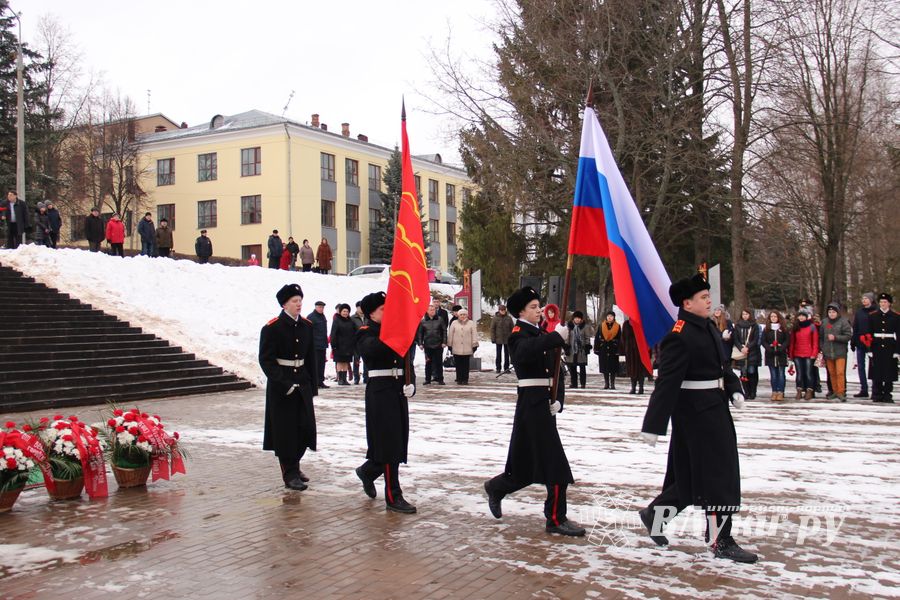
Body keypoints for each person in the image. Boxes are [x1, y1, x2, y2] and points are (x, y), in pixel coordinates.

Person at [638, 273, 757, 563]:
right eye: (704, 298)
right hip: (695, 415)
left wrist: (733, 388)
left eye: (708, 296)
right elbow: (666, 382)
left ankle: (656, 514)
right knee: (718, 476)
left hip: (715, 409)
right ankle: (721, 540)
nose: (709, 301)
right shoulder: (679, 336)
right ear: (687, 303)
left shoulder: (708, 328)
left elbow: (721, 366)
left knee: (695, 478)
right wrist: (654, 425)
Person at [483, 286, 586, 537]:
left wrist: (559, 399)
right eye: (532, 307)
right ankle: (555, 518)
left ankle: (497, 487)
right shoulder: (519, 334)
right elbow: (524, 353)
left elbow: (556, 370)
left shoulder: (541, 333)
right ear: (521, 311)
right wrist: (554, 337)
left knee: (526, 466)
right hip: (531, 404)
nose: (539, 310)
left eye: (539, 305)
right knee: (556, 465)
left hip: (545, 404)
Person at [354, 291, 418, 514]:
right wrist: (396, 334)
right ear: (371, 313)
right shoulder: (365, 332)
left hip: (398, 389)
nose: (388, 312)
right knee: (389, 442)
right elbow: (373, 351)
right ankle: (393, 495)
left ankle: (369, 471)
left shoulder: (394, 331)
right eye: (383, 309)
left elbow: (406, 358)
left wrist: (411, 381)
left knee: (397, 441)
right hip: (380, 392)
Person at [258, 284, 318, 491]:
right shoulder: (272, 327)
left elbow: (311, 357)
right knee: (285, 432)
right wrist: (284, 383)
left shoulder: (307, 326)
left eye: (300, 300)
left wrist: (313, 385)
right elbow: (266, 360)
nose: (299, 304)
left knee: (305, 428)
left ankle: (295, 464)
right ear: (284, 304)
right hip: (281, 386)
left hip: (302, 382)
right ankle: (289, 472)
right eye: (294, 301)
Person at [865, 293, 898, 403]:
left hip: (890, 346)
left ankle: (887, 394)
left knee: (889, 371)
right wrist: (869, 349)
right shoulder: (872, 315)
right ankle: (877, 394)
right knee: (877, 371)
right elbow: (868, 333)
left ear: (889, 303)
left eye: (885, 302)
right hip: (876, 345)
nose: (883, 304)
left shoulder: (896, 316)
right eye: (881, 302)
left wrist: (898, 350)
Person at [821, 303, 852, 402]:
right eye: (829, 312)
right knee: (832, 373)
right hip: (828, 352)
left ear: (837, 312)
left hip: (840, 352)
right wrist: (822, 347)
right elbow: (820, 337)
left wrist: (836, 338)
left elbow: (848, 336)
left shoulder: (843, 322)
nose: (831, 314)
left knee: (840, 373)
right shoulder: (824, 322)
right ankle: (834, 391)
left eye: (833, 312)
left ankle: (841, 391)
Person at [789, 308, 819, 400]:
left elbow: (815, 342)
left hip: (809, 354)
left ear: (806, 317)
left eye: (803, 316)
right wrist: (791, 354)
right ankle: (799, 390)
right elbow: (792, 342)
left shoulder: (812, 327)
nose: (801, 317)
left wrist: (814, 353)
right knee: (799, 373)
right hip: (797, 353)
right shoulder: (796, 327)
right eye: (800, 316)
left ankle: (809, 390)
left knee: (808, 373)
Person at [851, 293, 875, 398]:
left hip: (872, 342)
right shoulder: (859, 312)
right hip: (860, 341)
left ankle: (875, 389)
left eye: (866, 299)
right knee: (861, 366)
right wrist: (853, 340)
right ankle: (863, 388)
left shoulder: (875, 311)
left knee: (874, 367)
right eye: (863, 299)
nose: (864, 300)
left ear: (871, 300)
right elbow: (855, 326)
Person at [733, 309, 761, 400]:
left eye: (747, 314)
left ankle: (753, 391)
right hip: (741, 352)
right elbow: (735, 339)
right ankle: (746, 391)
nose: (745, 316)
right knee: (743, 372)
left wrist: (748, 347)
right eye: (743, 314)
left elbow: (756, 339)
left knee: (752, 371)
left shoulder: (754, 326)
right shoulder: (737, 326)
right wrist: (741, 348)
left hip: (752, 352)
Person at [761, 310, 790, 400]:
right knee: (773, 374)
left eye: (775, 317)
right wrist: (769, 348)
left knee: (781, 374)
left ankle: (780, 391)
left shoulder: (783, 328)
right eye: (772, 317)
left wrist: (781, 348)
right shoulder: (766, 329)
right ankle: (774, 391)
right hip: (770, 354)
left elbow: (787, 340)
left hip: (781, 354)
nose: (773, 318)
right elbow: (763, 341)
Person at [418, 303, 447, 385]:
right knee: (428, 363)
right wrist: (420, 343)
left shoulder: (440, 319)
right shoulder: (423, 321)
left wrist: (444, 342)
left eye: (434, 310)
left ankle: (440, 379)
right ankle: (427, 379)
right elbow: (420, 333)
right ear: (427, 311)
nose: (432, 311)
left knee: (439, 363)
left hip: (438, 344)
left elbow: (444, 331)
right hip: (427, 345)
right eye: (431, 310)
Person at [447, 308, 478, 384]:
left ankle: (465, 379)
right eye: (461, 314)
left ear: (467, 315)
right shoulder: (454, 323)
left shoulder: (471, 323)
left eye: (464, 314)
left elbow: (474, 334)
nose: (463, 316)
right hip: (456, 347)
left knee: (466, 364)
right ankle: (459, 378)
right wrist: (449, 345)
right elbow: (450, 334)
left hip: (467, 347)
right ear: (458, 315)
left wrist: (474, 344)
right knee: (458, 364)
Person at [330, 303, 357, 386]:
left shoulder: (350, 321)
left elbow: (354, 332)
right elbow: (333, 333)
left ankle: (344, 379)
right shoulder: (337, 320)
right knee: (339, 362)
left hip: (348, 346)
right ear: (340, 312)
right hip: (339, 345)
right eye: (344, 311)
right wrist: (333, 344)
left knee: (346, 362)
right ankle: (340, 379)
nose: (345, 313)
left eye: (347, 311)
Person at [565, 311, 593, 389]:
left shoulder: (585, 327)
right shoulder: (569, 326)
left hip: (581, 349)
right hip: (572, 350)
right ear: (573, 318)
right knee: (572, 367)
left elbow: (587, 337)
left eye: (579, 318)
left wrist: (587, 346)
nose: (577, 319)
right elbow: (567, 337)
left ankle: (583, 383)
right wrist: (566, 346)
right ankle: (574, 383)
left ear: (581, 319)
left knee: (582, 367)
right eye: (576, 318)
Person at [594, 311, 621, 389]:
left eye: (611, 316)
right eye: (608, 316)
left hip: (613, 348)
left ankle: (612, 383)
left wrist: (618, 348)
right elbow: (597, 338)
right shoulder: (601, 326)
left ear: (614, 317)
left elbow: (620, 338)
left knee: (613, 367)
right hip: (604, 348)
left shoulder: (617, 326)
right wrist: (597, 348)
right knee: (605, 367)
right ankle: (606, 383)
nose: (609, 317)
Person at [622, 318, 649, 394]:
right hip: (630, 350)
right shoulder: (626, 324)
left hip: (640, 349)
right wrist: (625, 349)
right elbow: (623, 337)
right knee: (631, 369)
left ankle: (641, 387)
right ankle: (633, 387)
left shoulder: (642, 322)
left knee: (640, 369)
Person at [307, 300, 329, 388]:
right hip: (315, 345)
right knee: (315, 364)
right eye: (319, 307)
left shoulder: (322, 317)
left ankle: (320, 381)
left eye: (322, 307)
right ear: (315, 307)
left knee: (321, 364)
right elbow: (308, 331)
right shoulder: (311, 317)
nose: (321, 309)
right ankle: (315, 382)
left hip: (322, 344)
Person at [490, 305, 514, 373]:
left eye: (504, 310)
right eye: (501, 310)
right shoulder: (495, 318)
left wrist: (512, 337)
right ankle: (498, 368)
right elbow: (492, 329)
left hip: (507, 339)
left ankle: (506, 368)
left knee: (507, 354)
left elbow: (512, 328)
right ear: (499, 310)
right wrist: (493, 338)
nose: (503, 311)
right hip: (498, 339)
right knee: (498, 354)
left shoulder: (509, 318)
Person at [351, 301, 367, 384]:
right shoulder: (353, 318)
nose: (361, 308)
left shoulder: (367, 316)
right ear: (357, 308)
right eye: (359, 307)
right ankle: (356, 377)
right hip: (357, 342)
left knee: (366, 360)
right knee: (356, 361)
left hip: (366, 342)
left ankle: (366, 377)